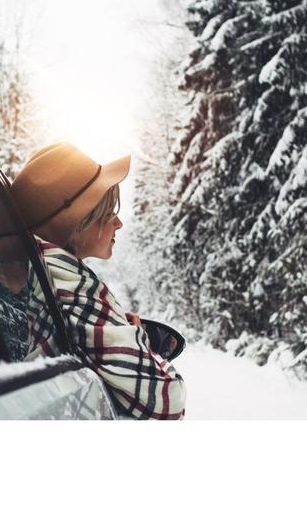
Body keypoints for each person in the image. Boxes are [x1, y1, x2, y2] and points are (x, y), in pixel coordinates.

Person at [10, 142, 186, 420]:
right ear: (78, 222)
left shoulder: (42, 276)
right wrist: (139, 341)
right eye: (108, 212)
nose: (119, 224)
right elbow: (168, 401)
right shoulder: (74, 291)